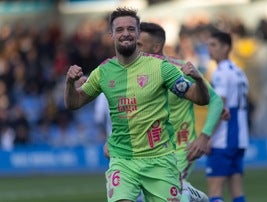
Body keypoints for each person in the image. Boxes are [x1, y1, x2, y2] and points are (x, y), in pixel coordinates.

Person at [64, 7, 210, 202]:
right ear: (111, 34)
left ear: (138, 33)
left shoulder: (160, 67)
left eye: (131, 29)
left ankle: (188, 194)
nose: (126, 34)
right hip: (123, 160)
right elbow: (74, 103)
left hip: (159, 158)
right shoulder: (103, 72)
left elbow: (200, 98)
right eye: (120, 29)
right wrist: (69, 84)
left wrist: (199, 80)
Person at [136, 22, 223, 202]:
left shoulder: (181, 69)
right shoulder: (137, 74)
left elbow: (215, 100)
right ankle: (196, 196)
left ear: (156, 46)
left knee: (172, 193)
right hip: (152, 150)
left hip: (181, 148)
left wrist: (204, 137)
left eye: (139, 45)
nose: (134, 49)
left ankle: (187, 192)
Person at [205, 31, 249, 202]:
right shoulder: (238, 71)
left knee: (215, 190)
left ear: (226, 47)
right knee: (237, 191)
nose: (209, 49)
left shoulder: (220, 73)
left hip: (223, 138)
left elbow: (219, 106)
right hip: (240, 138)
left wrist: (208, 136)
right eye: (208, 45)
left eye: (214, 45)